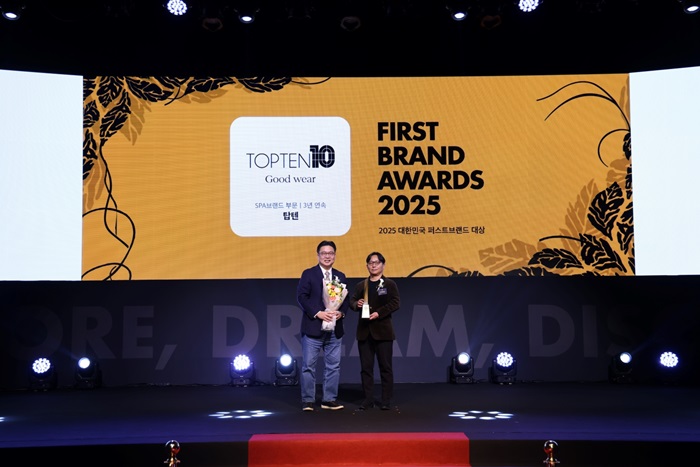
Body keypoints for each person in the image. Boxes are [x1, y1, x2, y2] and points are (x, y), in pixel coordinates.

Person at [296, 240, 349, 412]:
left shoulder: (340, 276)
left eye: (330, 253)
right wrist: (317, 313)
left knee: (333, 366)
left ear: (335, 255)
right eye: (324, 253)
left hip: (334, 329)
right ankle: (308, 400)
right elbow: (302, 297)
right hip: (313, 327)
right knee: (308, 367)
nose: (327, 256)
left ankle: (329, 399)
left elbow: (345, 300)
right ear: (318, 255)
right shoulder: (309, 274)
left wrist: (341, 313)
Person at [349, 252, 400, 411]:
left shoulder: (389, 284)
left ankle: (386, 400)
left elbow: (395, 303)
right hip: (364, 332)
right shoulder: (361, 285)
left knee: (385, 367)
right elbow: (351, 301)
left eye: (377, 262)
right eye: (371, 263)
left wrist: (379, 313)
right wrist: (357, 304)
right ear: (367, 266)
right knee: (366, 368)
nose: (373, 265)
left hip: (383, 332)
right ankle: (368, 399)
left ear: (383, 265)